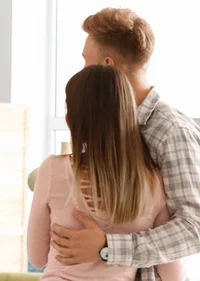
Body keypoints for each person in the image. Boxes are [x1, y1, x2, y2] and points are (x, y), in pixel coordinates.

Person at [48, 7, 200, 281]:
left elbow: (195, 227)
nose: (81, 70)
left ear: (107, 66)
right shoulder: (104, 126)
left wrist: (108, 246)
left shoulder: (170, 131)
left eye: (85, 61)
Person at [27, 64, 184, 280]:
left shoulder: (51, 170)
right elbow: (172, 274)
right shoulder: (153, 181)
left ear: (73, 117)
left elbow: (37, 257)